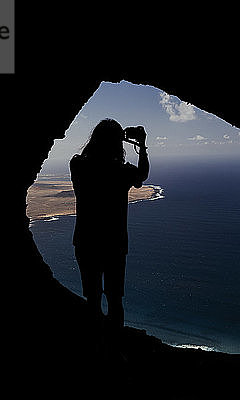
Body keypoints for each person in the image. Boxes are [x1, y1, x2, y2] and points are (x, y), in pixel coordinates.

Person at [70, 119, 149, 333]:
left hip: (86, 242)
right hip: (114, 245)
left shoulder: (77, 165)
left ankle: (96, 348)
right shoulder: (120, 171)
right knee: (115, 299)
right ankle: (114, 349)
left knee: (92, 299)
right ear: (118, 143)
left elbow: (90, 162)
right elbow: (142, 175)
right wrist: (141, 145)